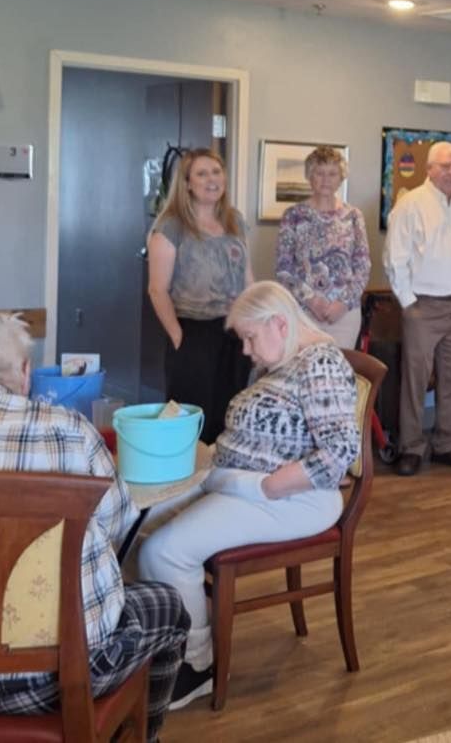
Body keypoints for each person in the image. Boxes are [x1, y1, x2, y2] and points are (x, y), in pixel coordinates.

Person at [0, 310, 188, 739]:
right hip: (62, 676)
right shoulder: (71, 432)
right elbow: (119, 524)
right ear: (26, 374)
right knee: (168, 608)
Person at [137, 281, 360, 709]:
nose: (245, 350)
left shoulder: (321, 365)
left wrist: (266, 487)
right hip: (238, 481)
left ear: (279, 323)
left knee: (164, 552)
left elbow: (338, 454)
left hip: (288, 498)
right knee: (134, 522)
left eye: (249, 338)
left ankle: (196, 665)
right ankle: (158, 642)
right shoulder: (284, 356)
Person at [383, 142, 451, 476]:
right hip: (422, 307)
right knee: (415, 381)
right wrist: (409, 304)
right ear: (429, 168)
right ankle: (411, 447)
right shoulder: (410, 204)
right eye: (445, 166)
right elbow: (394, 258)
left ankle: (446, 444)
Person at [146, 148, 253, 444]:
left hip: (234, 331)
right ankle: (187, 485)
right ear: (188, 183)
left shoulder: (236, 221)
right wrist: (178, 336)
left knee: (231, 414)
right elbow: (157, 290)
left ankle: (221, 483)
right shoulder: (171, 227)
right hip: (192, 330)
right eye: (202, 174)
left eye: (216, 172)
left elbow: (247, 278)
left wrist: (253, 324)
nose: (211, 180)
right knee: (192, 417)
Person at [275, 144, 372, 350]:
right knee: (303, 370)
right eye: (320, 173)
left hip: (345, 314)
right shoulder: (293, 215)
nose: (326, 180)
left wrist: (343, 303)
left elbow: (363, 267)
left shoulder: (354, 216)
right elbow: (284, 269)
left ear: (341, 178)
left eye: (332, 174)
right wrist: (312, 301)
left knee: (339, 372)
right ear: (310, 176)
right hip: (303, 311)